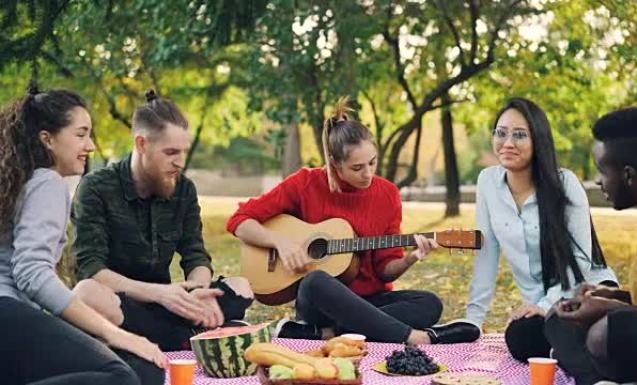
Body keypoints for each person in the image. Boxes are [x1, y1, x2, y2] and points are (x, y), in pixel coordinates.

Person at [227, 98, 480, 344]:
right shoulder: (305, 183)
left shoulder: (387, 193)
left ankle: (325, 334)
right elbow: (240, 220)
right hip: (320, 302)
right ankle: (413, 337)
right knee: (316, 280)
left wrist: (411, 257)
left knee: (429, 304)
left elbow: (385, 268)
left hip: (370, 300)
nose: (368, 174)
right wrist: (280, 242)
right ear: (335, 164)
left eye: (373, 163)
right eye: (357, 168)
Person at [0, 86, 166, 385]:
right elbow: (31, 273)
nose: (90, 145)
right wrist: (114, 333)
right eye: (80, 134)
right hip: (7, 315)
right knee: (120, 376)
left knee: (145, 370)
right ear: (47, 139)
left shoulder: (18, 182)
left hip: (13, 321)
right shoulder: (46, 182)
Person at [70, 90, 254, 352]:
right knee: (86, 293)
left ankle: (185, 333)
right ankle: (187, 337)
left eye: (183, 152)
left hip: (169, 306)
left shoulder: (184, 189)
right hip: (122, 305)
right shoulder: (96, 188)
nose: (179, 162)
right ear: (142, 144)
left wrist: (199, 294)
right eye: (170, 152)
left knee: (242, 286)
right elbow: (91, 269)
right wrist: (160, 293)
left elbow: (196, 255)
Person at [466, 97, 617, 361]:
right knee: (521, 337)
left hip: (582, 293)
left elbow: (580, 261)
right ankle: (577, 351)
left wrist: (545, 305)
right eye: (501, 133)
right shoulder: (487, 182)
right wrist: (472, 322)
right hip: (539, 313)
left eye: (520, 135)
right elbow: (486, 254)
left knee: (596, 333)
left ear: (538, 140)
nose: (508, 143)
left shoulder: (565, 184)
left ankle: (590, 351)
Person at [546, 107, 637, 385]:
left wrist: (610, 309)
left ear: (629, 175)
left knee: (608, 332)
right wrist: (613, 296)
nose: (598, 181)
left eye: (601, 171)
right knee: (557, 319)